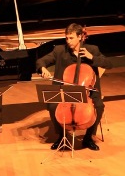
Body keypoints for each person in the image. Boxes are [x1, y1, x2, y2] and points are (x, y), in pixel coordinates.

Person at [36, 23, 112, 151]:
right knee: (52, 105)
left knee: (99, 106)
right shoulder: (59, 50)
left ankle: (88, 137)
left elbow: (109, 64)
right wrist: (43, 68)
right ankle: (62, 136)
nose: (68, 41)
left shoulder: (92, 50)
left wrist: (91, 57)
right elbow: (41, 61)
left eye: (71, 38)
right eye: (66, 38)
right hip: (65, 90)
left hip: (88, 91)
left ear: (80, 37)